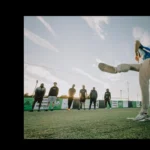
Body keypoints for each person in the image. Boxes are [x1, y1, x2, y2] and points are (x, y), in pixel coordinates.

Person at [98, 40, 150, 121]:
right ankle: (116, 69)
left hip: (148, 62)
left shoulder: (145, 50)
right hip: (145, 65)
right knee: (133, 67)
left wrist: (136, 53)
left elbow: (137, 42)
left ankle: (144, 112)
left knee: (143, 83)